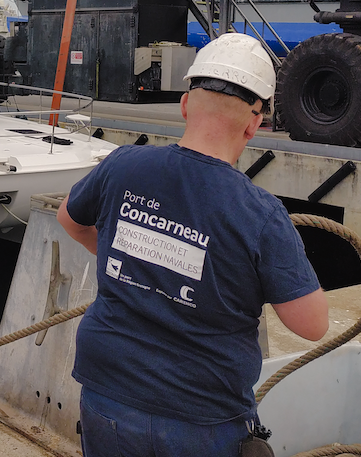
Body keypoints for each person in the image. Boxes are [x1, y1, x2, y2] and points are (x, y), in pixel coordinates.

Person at [57, 33, 328, 457]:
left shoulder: (123, 164)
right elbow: (312, 325)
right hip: (201, 418)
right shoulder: (261, 213)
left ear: (185, 105)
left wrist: (132, 260)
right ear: (255, 123)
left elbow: (69, 220)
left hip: (107, 393)